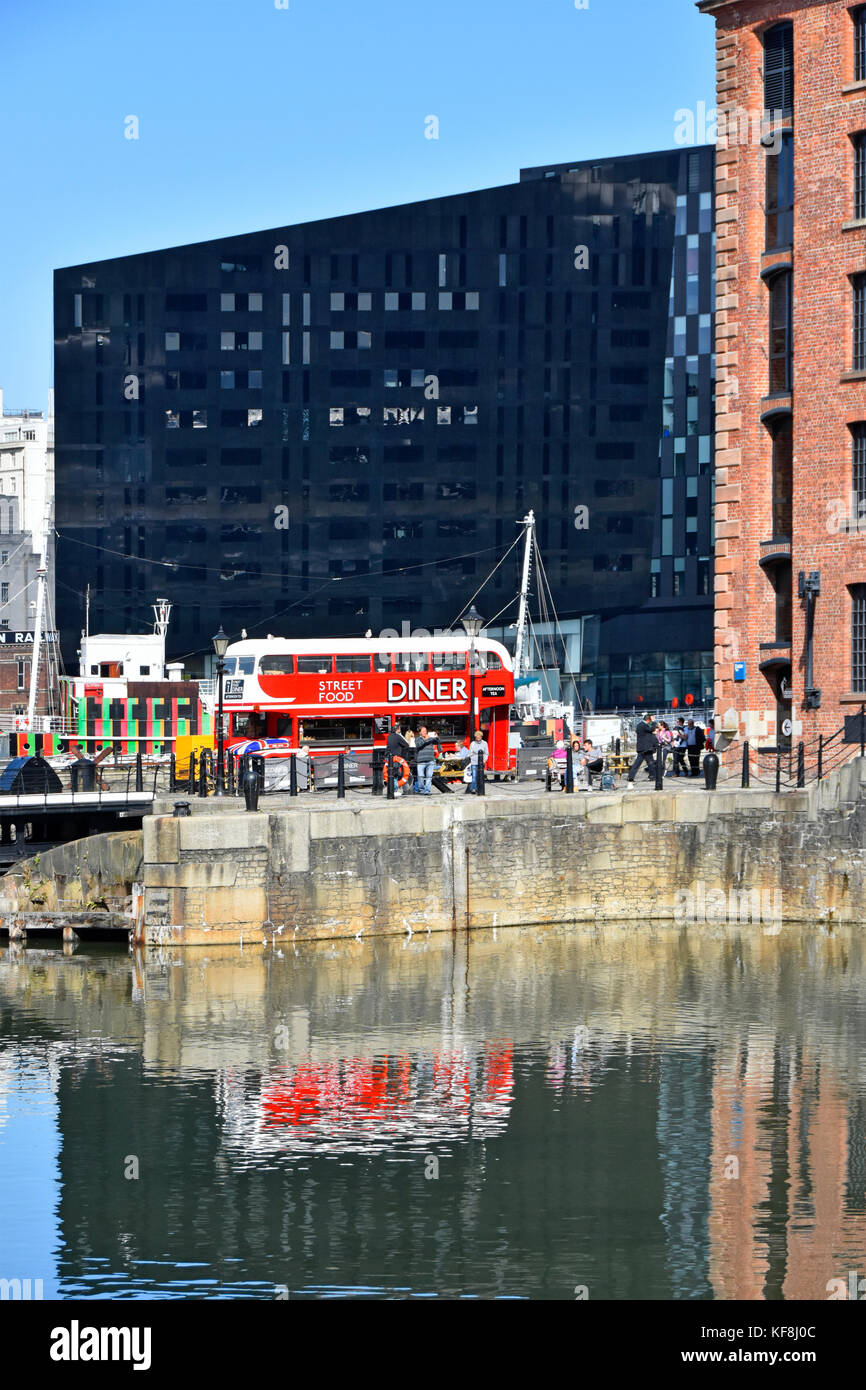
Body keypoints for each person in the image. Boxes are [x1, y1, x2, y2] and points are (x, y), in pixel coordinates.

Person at [626, 712, 658, 790]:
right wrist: (653, 721)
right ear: (648, 720)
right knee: (646, 763)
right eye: (650, 721)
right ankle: (652, 776)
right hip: (645, 748)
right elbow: (652, 728)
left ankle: (651, 776)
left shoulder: (640, 725)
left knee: (647, 763)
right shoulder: (643, 725)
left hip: (643, 747)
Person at [386, 721, 412, 796]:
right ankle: (395, 790)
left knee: (391, 774)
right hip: (396, 758)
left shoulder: (389, 736)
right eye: (399, 728)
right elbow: (406, 745)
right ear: (397, 729)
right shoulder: (397, 736)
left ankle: (391, 790)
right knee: (396, 774)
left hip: (389, 758)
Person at [413, 724, 441, 796]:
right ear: (420, 732)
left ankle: (427, 790)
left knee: (429, 776)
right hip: (421, 761)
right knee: (420, 776)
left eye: (426, 731)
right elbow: (419, 745)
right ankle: (422, 790)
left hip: (430, 760)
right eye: (423, 731)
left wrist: (437, 737)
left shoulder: (430, 738)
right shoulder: (417, 739)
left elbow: (438, 741)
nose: (425, 732)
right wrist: (426, 739)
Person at [468, 728, 489, 794]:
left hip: (481, 762)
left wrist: (484, 760)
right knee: (474, 776)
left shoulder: (485, 743)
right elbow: (470, 752)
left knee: (480, 777)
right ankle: (474, 789)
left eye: (479, 737)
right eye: (477, 737)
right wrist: (471, 758)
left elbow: (486, 753)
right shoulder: (473, 743)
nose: (478, 739)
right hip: (474, 762)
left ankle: (479, 789)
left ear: (481, 737)